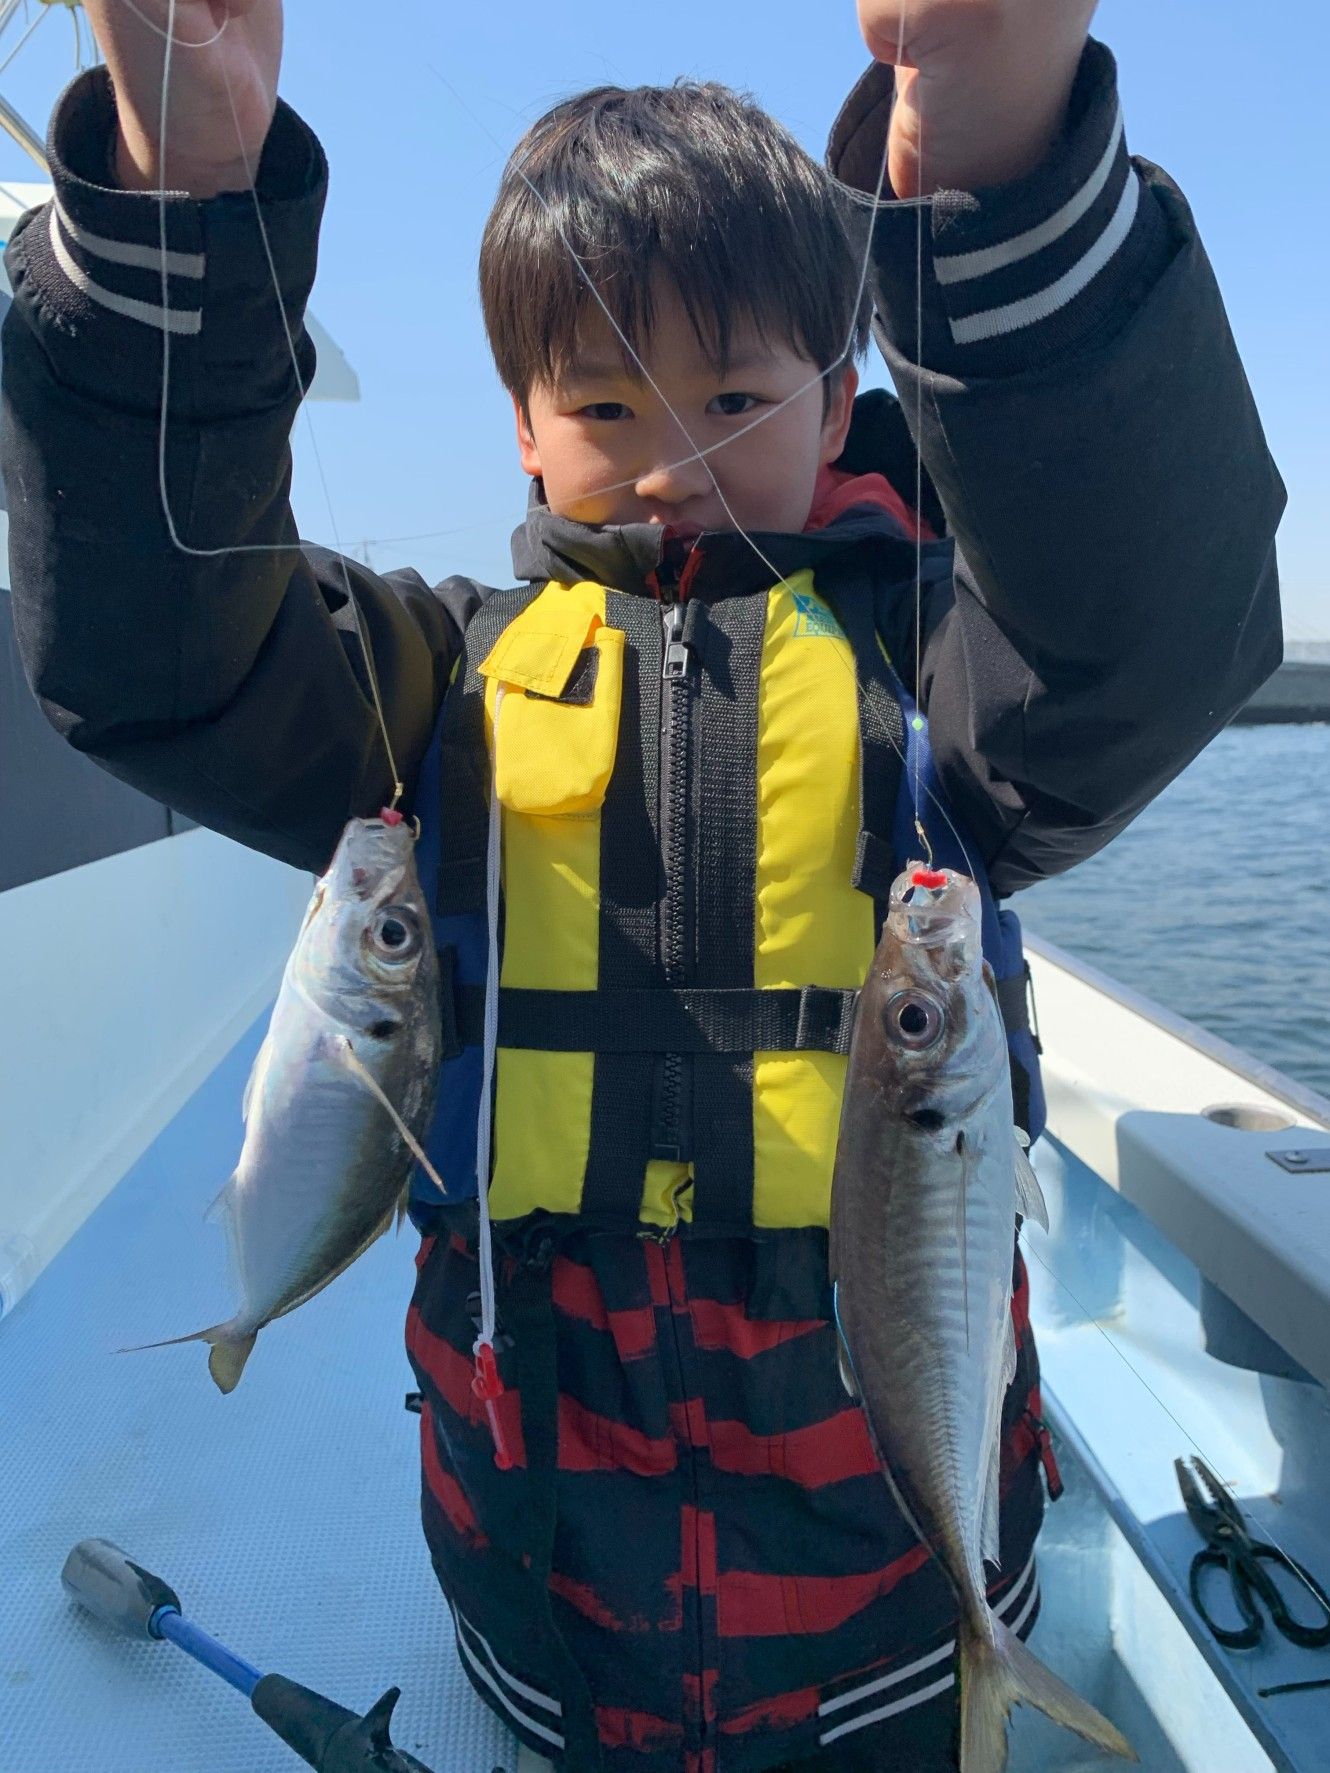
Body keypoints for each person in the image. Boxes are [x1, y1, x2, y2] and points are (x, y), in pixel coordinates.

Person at [2, 1, 1283, 1767]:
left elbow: (1150, 638)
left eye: (735, 396)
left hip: (896, 1614)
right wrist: (179, 201)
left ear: (841, 400)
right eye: (603, 402)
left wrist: (997, 160)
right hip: (544, 1623)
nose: (671, 457)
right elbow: (159, 656)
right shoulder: (431, 692)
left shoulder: (939, 684)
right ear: (524, 432)